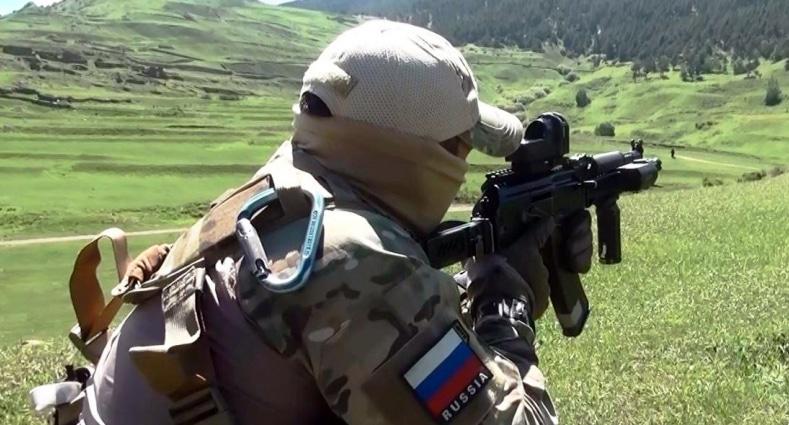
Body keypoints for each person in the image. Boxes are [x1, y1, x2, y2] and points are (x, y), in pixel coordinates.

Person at [73, 20, 593, 425]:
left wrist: (459, 287)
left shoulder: (284, 189)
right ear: (419, 156)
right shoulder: (355, 258)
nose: (464, 163)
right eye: (461, 146)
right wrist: (505, 309)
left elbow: (356, 331)